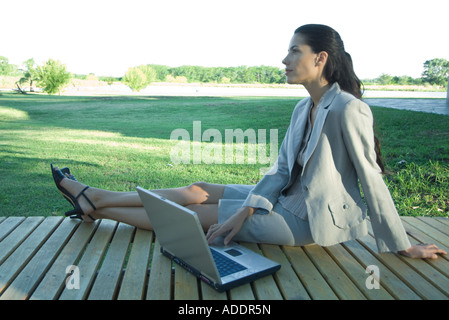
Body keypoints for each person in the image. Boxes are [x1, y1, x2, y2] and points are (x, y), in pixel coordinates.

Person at [51, 24, 446, 260]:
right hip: (284, 198)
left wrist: (402, 246)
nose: (285, 59)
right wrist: (250, 207)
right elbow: (279, 171)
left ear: (320, 58)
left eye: (295, 50)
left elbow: (372, 180)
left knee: (193, 218)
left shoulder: (347, 109)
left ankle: (97, 206)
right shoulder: (302, 108)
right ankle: (96, 197)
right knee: (199, 190)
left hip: (308, 220)